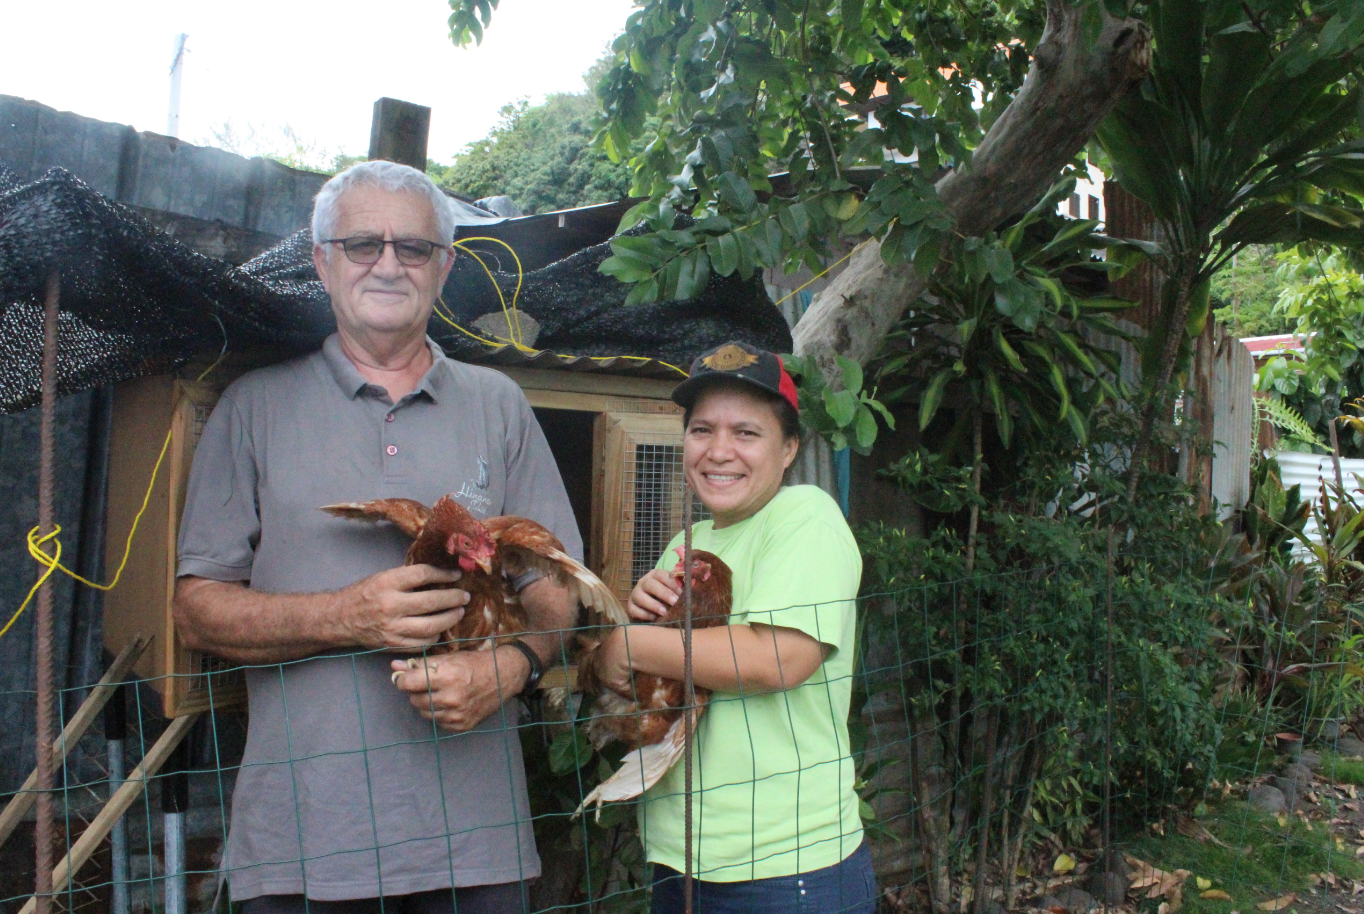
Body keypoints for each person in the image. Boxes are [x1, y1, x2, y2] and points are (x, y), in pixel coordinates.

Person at [173, 160, 582, 914]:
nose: (388, 263)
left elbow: (558, 589)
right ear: (323, 263)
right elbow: (196, 608)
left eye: (414, 248)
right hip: (304, 847)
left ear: (444, 267)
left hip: (476, 846)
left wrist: (513, 664)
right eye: (362, 244)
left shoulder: (499, 404)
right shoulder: (253, 406)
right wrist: (348, 616)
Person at [590, 341, 877, 913]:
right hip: (683, 855)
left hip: (786, 865)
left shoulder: (805, 517)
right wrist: (625, 640)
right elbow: (633, 683)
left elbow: (778, 659)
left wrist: (632, 642)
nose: (720, 451)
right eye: (702, 430)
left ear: (790, 447)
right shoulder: (685, 544)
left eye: (746, 433)